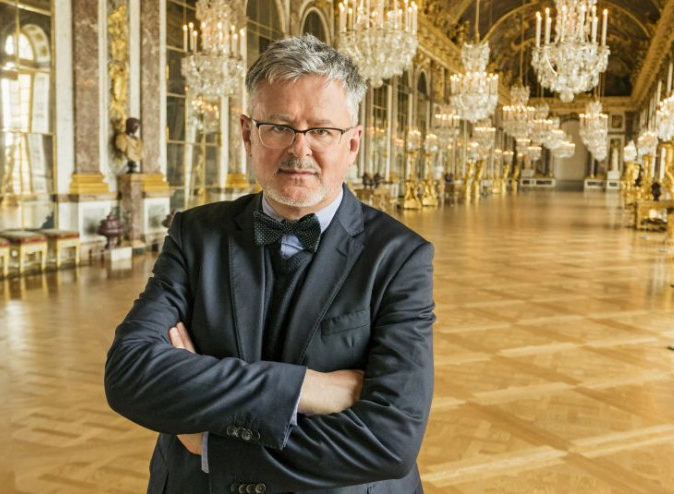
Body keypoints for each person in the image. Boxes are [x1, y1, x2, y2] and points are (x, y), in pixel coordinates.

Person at [104, 34, 435, 494]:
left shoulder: (401, 257)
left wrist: (212, 443)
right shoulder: (195, 233)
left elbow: (389, 441)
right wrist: (307, 389)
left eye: (322, 130)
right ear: (247, 134)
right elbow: (129, 373)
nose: (300, 150)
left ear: (353, 143)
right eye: (279, 127)